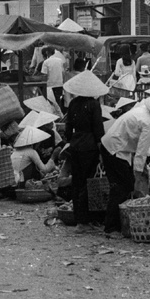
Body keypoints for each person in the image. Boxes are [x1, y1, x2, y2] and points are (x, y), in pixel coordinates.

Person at [101, 94, 150, 238]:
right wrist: (138, 174)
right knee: (121, 187)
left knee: (121, 186)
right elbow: (141, 152)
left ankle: (118, 224)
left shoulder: (142, 111)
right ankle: (111, 228)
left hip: (114, 146)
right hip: (115, 149)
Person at [63, 71, 110, 230]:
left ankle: (79, 218)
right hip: (89, 146)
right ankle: (84, 221)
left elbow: (68, 129)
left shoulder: (73, 104)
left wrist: (70, 141)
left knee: (77, 182)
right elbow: (98, 129)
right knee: (87, 182)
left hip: (75, 145)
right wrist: (102, 150)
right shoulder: (94, 105)